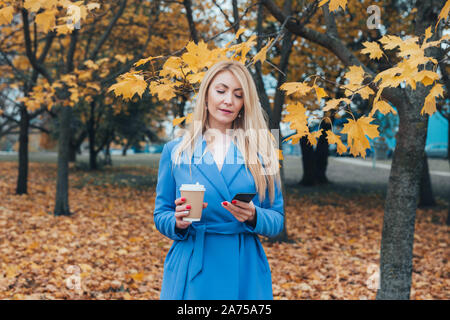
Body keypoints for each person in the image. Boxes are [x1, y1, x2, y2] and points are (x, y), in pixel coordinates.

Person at [153, 60, 284, 300]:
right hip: (193, 263)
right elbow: (161, 214)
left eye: (238, 95)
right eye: (221, 91)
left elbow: (277, 220)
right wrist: (177, 221)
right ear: (205, 95)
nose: (228, 101)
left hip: (244, 267)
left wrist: (254, 216)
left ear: (245, 103)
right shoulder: (176, 151)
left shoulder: (262, 150)